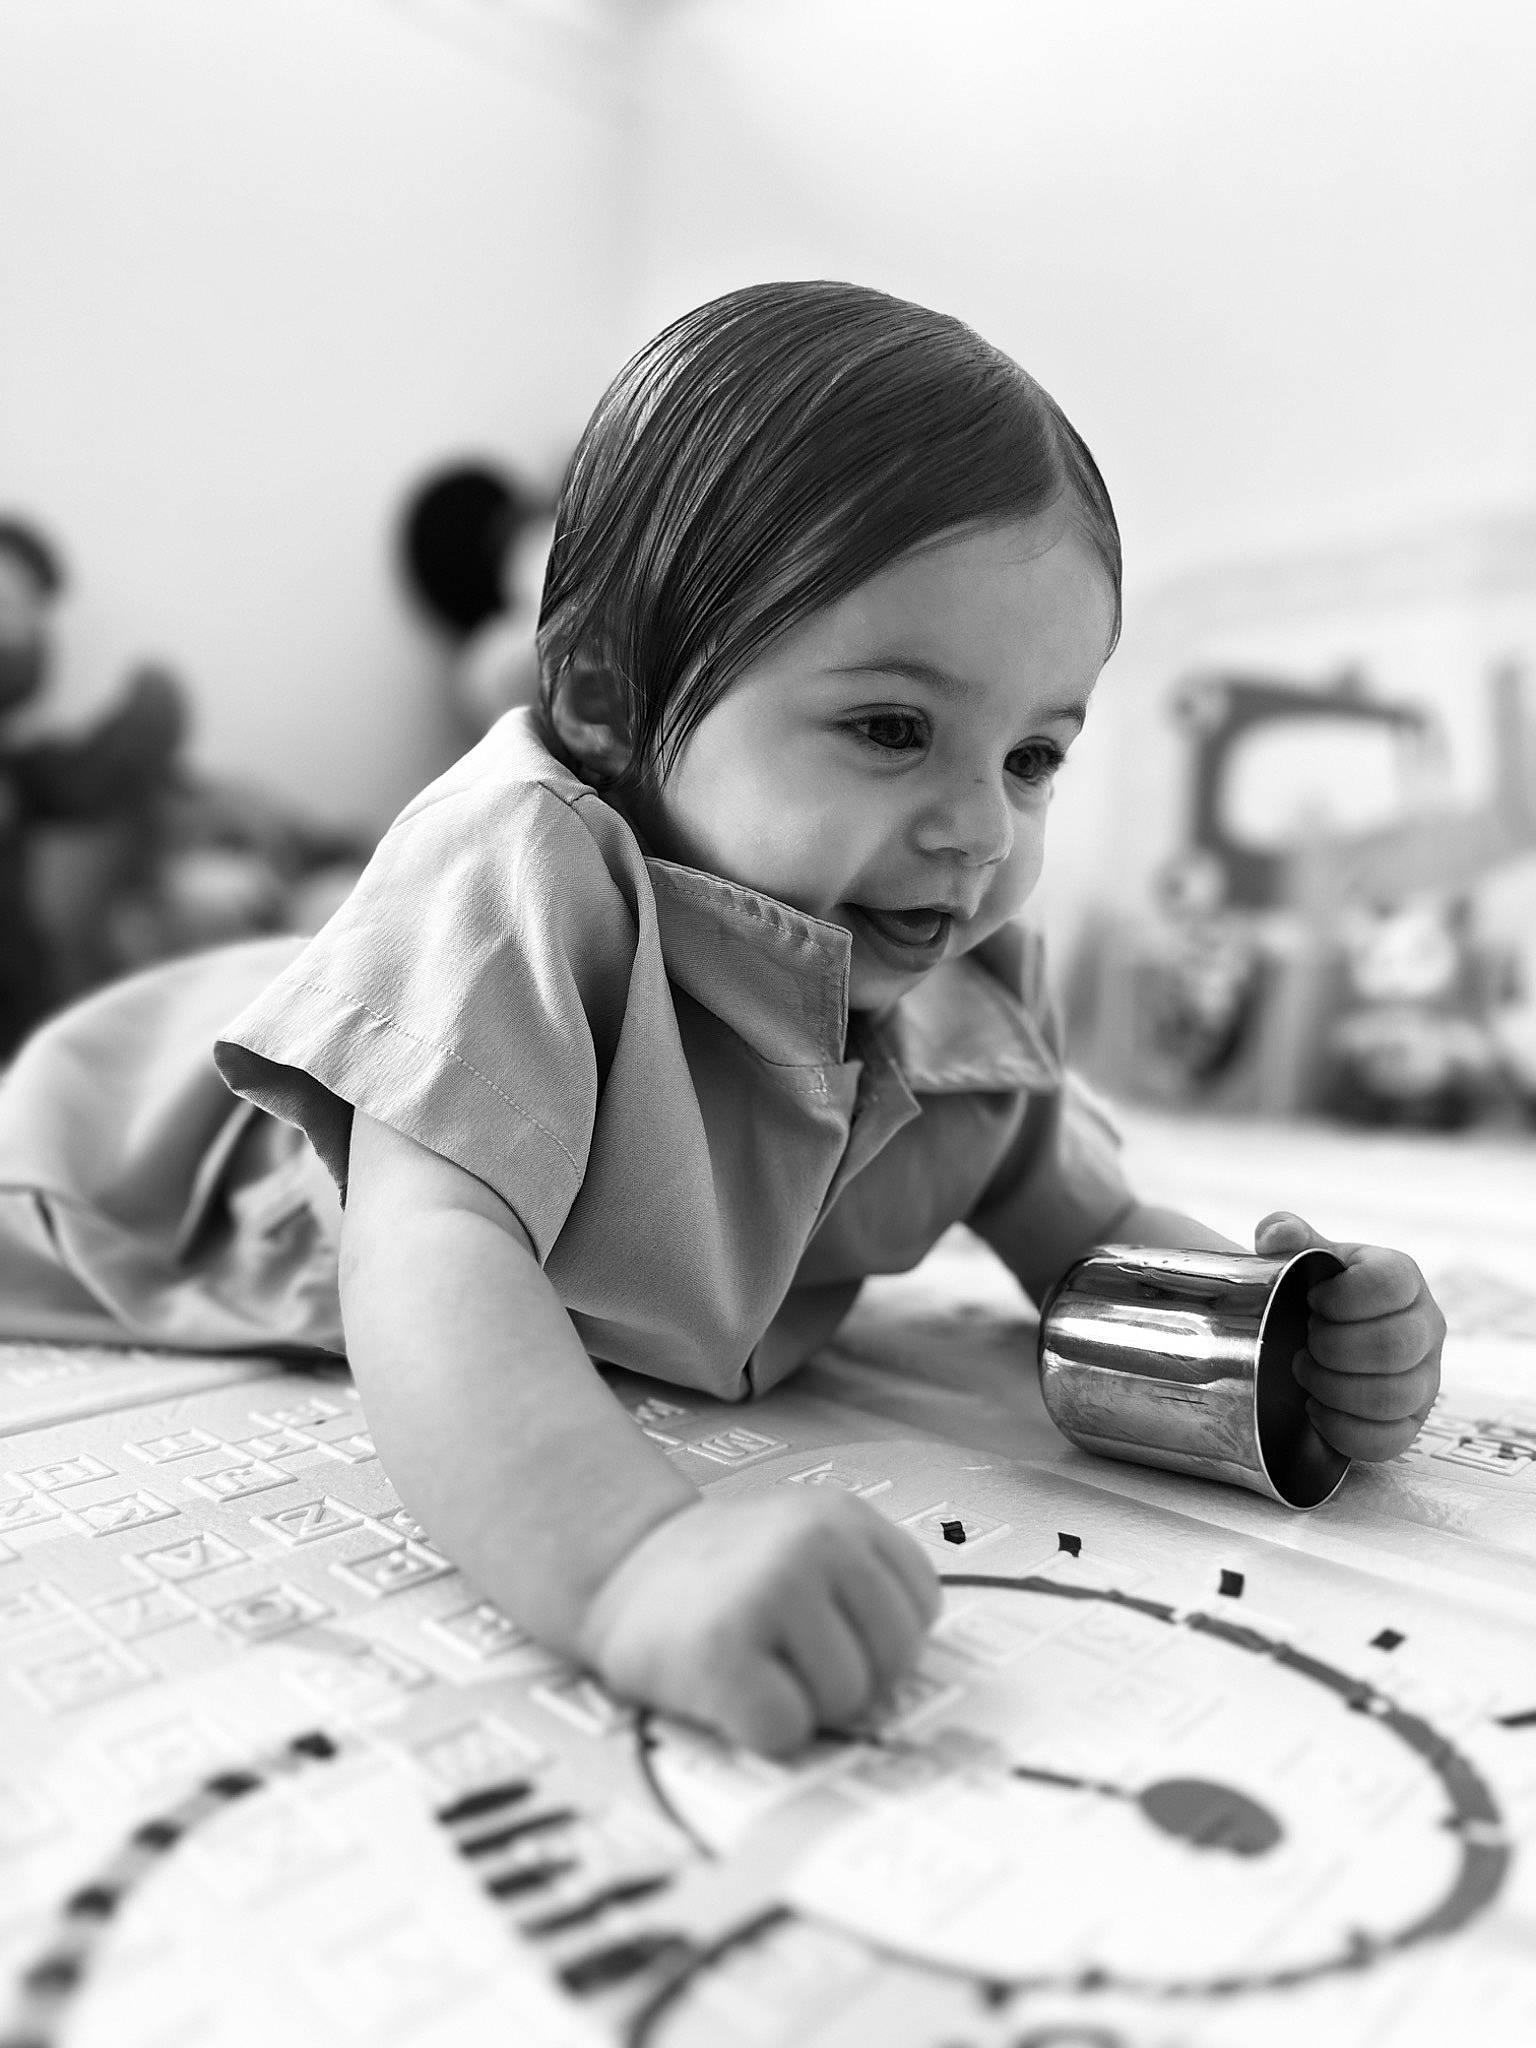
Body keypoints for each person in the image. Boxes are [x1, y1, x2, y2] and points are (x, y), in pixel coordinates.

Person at [0, 284, 1445, 1754]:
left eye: (1031, 756)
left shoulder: (962, 990)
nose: (979, 830)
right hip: (121, 1147)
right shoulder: (527, 872)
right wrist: (631, 1560)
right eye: (891, 729)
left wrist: (1276, 1335)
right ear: (608, 698)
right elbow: (428, 1254)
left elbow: (1095, 1234)